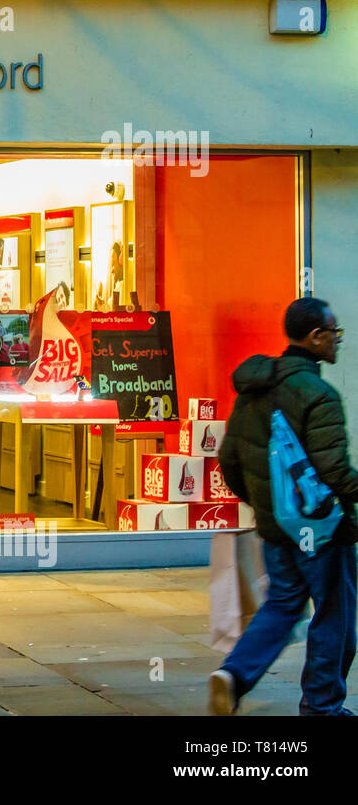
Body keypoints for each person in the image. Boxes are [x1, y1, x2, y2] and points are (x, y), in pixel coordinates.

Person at [210, 297, 358, 716]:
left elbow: (230, 459)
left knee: (281, 605)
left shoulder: (253, 390)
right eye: (334, 333)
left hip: (276, 528)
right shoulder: (319, 394)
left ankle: (233, 675)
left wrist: (266, 506)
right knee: (334, 615)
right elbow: (334, 472)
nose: (338, 340)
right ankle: (322, 706)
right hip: (323, 530)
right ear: (315, 337)